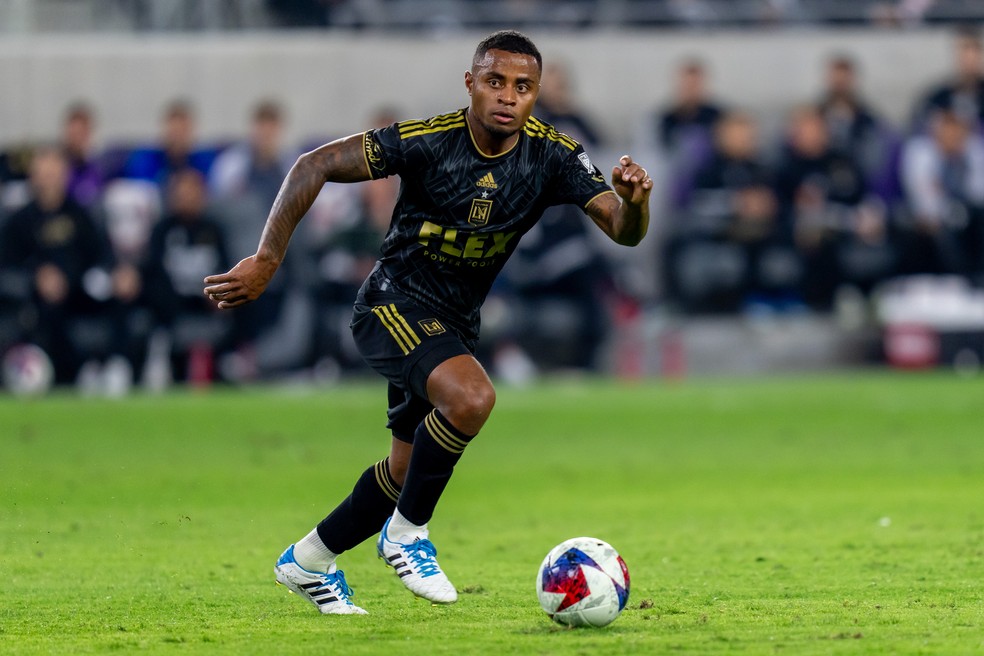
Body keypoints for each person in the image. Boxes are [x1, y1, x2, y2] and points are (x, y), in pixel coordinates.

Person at [203, 30, 652, 614]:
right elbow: (313, 164)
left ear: (537, 94)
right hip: (392, 303)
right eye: (495, 82)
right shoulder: (428, 141)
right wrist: (267, 259)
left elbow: (622, 230)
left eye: (523, 87)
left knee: (405, 466)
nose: (508, 96)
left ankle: (308, 560)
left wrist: (635, 202)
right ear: (471, 84)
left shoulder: (553, 156)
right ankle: (407, 533)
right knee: (472, 400)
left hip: (455, 322)